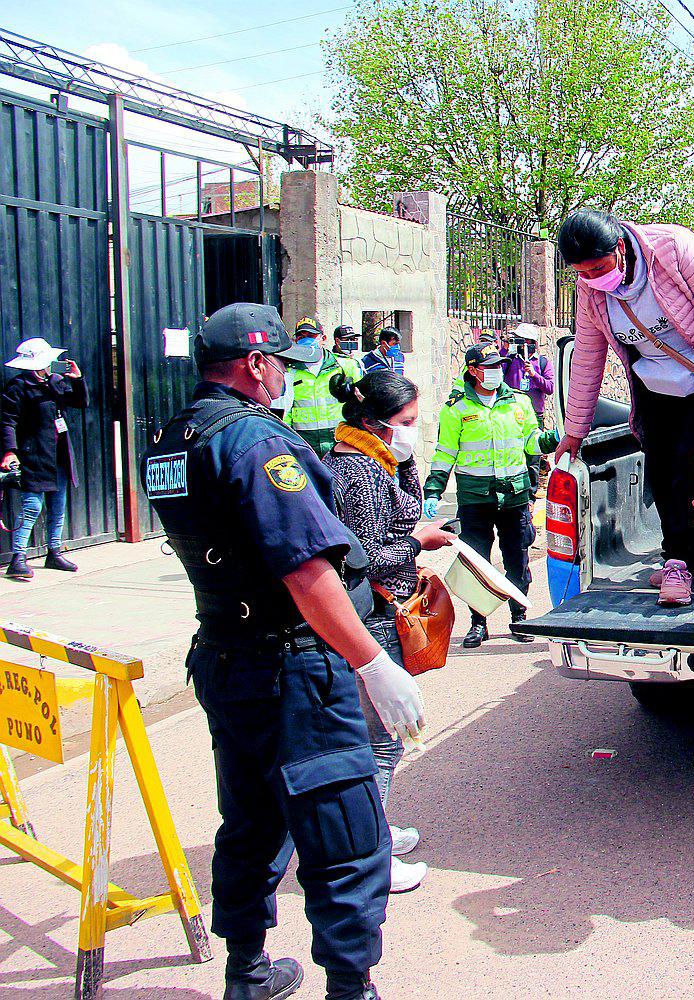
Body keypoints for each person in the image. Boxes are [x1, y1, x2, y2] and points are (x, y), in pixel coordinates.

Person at [144, 302, 424, 1000]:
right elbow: (305, 570)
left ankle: (246, 971)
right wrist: (371, 662)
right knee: (346, 836)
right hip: (294, 665)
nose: (287, 383)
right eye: (282, 370)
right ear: (256, 364)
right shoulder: (254, 442)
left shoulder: (173, 438)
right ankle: (350, 989)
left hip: (226, 652)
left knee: (251, 821)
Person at [555, 208, 694, 607]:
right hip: (654, 391)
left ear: (620, 247)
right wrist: (575, 430)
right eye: (582, 272)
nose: (592, 279)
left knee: (691, 472)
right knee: (660, 474)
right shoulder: (590, 291)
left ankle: (681, 558)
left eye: (598, 267)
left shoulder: (674, 250)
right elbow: (587, 356)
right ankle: (688, 557)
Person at [325, 369, 456, 895]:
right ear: (375, 423)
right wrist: (421, 545)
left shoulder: (376, 462)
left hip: (382, 616)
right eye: (405, 424)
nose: (411, 432)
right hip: (369, 621)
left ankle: (374, 830)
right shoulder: (355, 473)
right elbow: (369, 556)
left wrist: (406, 468)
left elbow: (403, 514)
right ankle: (370, 853)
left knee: (384, 736)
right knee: (381, 740)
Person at [427, 343, 558, 647]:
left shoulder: (519, 403)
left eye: (498, 366)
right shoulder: (456, 408)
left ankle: (519, 616)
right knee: (478, 562)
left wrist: (554, 439)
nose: (496, 372)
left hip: (513, 496)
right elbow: (445, 451)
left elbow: (531, 442)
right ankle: (479, 623)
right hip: (476, 498)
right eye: (488, 367)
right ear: (472, 370)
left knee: (517, 558)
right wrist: (433, 489)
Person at [2, 338, 85, 581]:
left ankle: (54, 551)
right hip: (34, 454)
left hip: (58, 455)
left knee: (57, 506)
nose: (51, 364)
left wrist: (77, 380)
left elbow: (80, 402)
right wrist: (10, 451)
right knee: (32, 506)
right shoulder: (18, 387)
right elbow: (8, 421)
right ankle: (18, 557)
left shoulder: (55, 382)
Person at [286, 318, 362, 456]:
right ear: (295, 341)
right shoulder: (289, 372)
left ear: (323, 338)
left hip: (339, 438)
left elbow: (362, 402)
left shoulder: (345, 366)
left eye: (311, 335)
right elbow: (286, 412)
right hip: (305, 442)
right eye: (301, 336)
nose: (306, 340)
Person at [500, 324, 555, 426]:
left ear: (529, 341)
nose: (517, 342)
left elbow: (550, 388)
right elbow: (496, 368)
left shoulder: (543, 362)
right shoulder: (510, 360)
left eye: (520, 339)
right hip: (511, 414)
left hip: (535, 416)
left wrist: (534, 374)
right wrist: (505, 348)